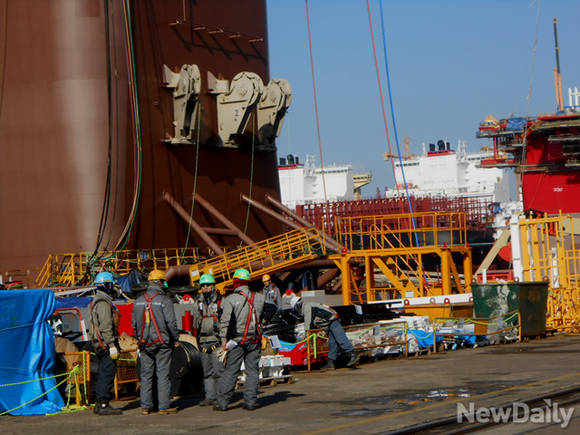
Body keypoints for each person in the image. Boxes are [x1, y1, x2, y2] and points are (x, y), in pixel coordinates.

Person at [215, 268, 264, 411]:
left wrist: (223, 339)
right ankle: (250, 402)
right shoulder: (259, 298)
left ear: (235, 282)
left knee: (231, 371)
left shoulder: (230, 299)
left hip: (236, 341)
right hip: (254, 339)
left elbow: (225, 321)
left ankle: (222, 403)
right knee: (253, 371)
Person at [132, 269, 180, 415]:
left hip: (144, 343)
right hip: (162, 343)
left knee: (146, 375)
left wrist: (139, 338)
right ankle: (163, 406)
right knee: (163, 374)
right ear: (160, 282)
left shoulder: (139, 301)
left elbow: (134, 324)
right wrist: (175, 338)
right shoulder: (165, 300)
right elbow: (171, 322)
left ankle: (146, 407)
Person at [290, 293, 358, 370]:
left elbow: (308, 322)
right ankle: (331, 362)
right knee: (333, 343)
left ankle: (352, 353)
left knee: (340, 339)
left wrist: (307, 334)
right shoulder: (309, 305)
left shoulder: (307, 306)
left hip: (332, 320)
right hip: (330, 322)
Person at [90, 271, 122, 415]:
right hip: (105, 344)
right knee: (107, 373)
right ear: (107, 285)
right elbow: (106, 326)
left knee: (103, 373)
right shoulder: (103, 303)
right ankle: (103, 403)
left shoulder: (98, 301)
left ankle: (99, 403)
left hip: (99, 343)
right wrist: (111, 345)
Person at [195, 273, 224, 406]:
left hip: (216, 340)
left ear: (213, 286)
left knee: (218, 371)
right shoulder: (198, 302)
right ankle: (209, 396)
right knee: (207, 371)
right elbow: (195, 321)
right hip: (203, 341)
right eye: (203, 286)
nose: (205, 288)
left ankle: (220, 396)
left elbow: (225, 320)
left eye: (208, 285)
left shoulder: (220, 300)